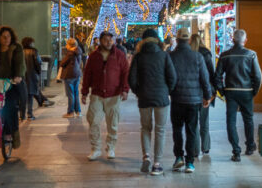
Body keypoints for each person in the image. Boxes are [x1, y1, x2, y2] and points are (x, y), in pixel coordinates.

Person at [128, 28, 177, 176]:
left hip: (144, 97)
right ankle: (157, 164)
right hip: (161, 98)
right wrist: (167, 91)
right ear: (157, 40)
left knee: (145, 128)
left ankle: (146, 156)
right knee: (160, 130)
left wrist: (138, 91)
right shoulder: (164, 55)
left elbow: (131, 79)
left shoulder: (138, 57)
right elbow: (173, 77)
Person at [214, 29, 262, 162]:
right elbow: (258, 76)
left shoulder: (224, 56)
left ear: (232, 39)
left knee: (231, 121)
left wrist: (222, 91)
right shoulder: (251, 55)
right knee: (248, 119)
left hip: (230, 91)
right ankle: (250, 146)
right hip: (246, 91)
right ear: (245, 40)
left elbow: (217, 76)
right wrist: (254, 91)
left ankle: (236, 151)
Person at [81, 30, 130, 160]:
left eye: (110, 40)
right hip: (96, 94)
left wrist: (125, 89)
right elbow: (87, 74)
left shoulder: (119, 55)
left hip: (114, 95)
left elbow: (125, 73)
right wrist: (84, 92)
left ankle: (111, 148)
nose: (108, 42)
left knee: (112, 124)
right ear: (100, 41)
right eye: (105, 40)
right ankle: (95, 148)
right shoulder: (93, 56)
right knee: (93, 121)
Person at [168, 28, 212, 173]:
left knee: (177, 129)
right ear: (188, 40)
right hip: (194, 101)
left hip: (177, 99)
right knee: (192, 131)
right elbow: (205, 79)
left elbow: (168, 78)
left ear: (177, 40)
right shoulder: (198, 57)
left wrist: (170, 91)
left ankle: (179, 157)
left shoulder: (171, 56)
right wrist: (207, 96)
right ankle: (190, 162)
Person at [190, 33, 215, 155]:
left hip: (192, 92)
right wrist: (212, 92)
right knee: (204, 121)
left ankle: (195, 150)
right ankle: (205, 147)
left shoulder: (189, 54)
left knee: (193, 122)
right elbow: (211, 73)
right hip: (205, 92)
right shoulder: (206, 53)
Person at [22, 36, 51, 120]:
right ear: (30, 43)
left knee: (23, 95)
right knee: (30, 95)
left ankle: (22, 115)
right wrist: (38, 72)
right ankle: (30, 114)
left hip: (22, 76)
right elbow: (38, 63)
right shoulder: (34, 51)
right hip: (32, 75)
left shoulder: (20, 51)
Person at [60, 38, 83, 118]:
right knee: (76, 93)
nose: (66, 46)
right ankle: (78, 111)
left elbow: (62, 63)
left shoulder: (70, 53)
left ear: (70, 45)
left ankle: (70, 112)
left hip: (69, 75)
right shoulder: (78, 51)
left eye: (67, 44)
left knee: (70, 94)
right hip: (77, 74)